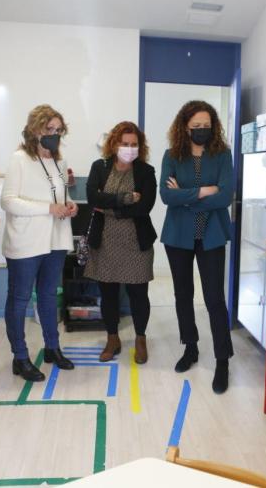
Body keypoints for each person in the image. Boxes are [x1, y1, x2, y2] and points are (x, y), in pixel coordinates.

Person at [159, 100, 234, 394]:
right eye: (196, 126)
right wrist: (204, 191)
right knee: (183, 294)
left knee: (214, 298)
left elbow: (225, 196)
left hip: (211, 235)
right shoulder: (172, 155)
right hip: (178, 236)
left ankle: (222, 359)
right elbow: (167, 196)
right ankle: (190, 347)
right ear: (185, 127)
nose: (202, 130)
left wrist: (187, 197)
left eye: (206, 126)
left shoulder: (222, 154)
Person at [1, 105, 78, 382]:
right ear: (35, 130)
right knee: (19, 299)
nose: (54, 134)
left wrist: (69, 205)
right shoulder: (19, 159)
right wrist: (49, 208)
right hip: (26, 242)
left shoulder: (59, 161)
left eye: (58, 130)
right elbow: (8, 201)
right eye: (49, 129)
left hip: (55, 239)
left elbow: (58, 197)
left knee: (48, 295)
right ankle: (20, 357)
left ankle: (52, 348)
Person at [84, 121, 157, 364]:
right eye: (125, 143)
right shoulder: (100, 167)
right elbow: (92, 197)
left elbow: (144, 207)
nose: (129, 148)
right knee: (109, 294)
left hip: (136, 244)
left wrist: (110, 208)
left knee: (139, 295)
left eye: (134, 144)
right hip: (105, 242)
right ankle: (112, 339)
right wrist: (125, 198)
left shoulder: (146, 171)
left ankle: (140, 339)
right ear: (114, 144)